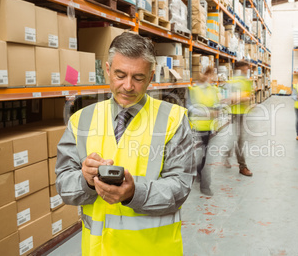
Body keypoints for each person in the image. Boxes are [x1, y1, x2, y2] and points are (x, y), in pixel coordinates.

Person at [55, 33, 196, 255]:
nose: (128, 86)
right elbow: (64, 186)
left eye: (138, 78)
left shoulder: (173, 120)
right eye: (120, 75)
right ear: (107, 69)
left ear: (150, 78)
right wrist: (86, 180)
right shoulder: (81, 120)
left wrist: (133, 193)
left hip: (153, 249)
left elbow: (180, 188)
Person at [187, 67, 220, 196]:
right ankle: (205, 186)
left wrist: (217, 111)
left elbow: (217, 105)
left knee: (205, 155)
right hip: (196, 126)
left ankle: (200, 174)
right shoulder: (193, 89)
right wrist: (205, 113)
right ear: (207, 75)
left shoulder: (214, 90)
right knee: (202, 156)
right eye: (212, 75)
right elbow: (189, 106)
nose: (214, 78)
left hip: (209, 127)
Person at [221, 60, 253, 177]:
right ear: (238, 69)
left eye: (247, 69)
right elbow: (227, 96)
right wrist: (236, 98)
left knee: (235, 137)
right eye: (245, 69)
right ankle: (242, 166)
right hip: (235, 113)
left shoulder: (246, 81)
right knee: (239, 139)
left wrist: (241, 97)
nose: (246, 71)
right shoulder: (232, 81)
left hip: (243, 113)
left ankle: (226, 154)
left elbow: (248, 95)